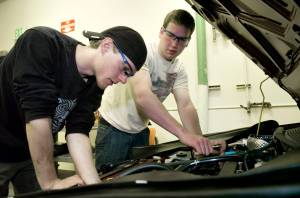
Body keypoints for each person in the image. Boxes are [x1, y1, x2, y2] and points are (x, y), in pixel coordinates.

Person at [0, 26, 147, 196]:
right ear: (106, 46)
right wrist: (50, 182)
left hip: (30, 153)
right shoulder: (41, 42)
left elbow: (78, 131)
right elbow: (37, 117)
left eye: (128, 75)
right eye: (125, 69)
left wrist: (96, 188)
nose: (123, 80)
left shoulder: (94, 85)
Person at [95, 9, 226, 171]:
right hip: (113, 129)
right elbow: (143, 96)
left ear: (188, 41)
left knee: (137, 183)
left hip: (140, 131)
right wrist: (184, 135)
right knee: (108, 183)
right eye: (170, 35)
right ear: (161, 32)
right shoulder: (145, 53)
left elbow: (185, 105)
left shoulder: (178, 69)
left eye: (181, 39)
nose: (174, 44)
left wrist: (200, 141)